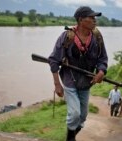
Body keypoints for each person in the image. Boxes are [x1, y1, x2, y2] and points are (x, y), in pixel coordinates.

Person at [48, 6, 108, 141]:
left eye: (95, 18)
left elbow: (102, 58)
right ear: (81, 20)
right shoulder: (66, 36)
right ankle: (70, 139)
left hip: (87, 82)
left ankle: (71, 135)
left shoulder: (97, 37)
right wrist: (57, 84)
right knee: (74, 114)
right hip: (70, 80)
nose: (95, 20)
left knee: (83, 116)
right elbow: (53, 60)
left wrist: (101, 71)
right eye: (91, 18)